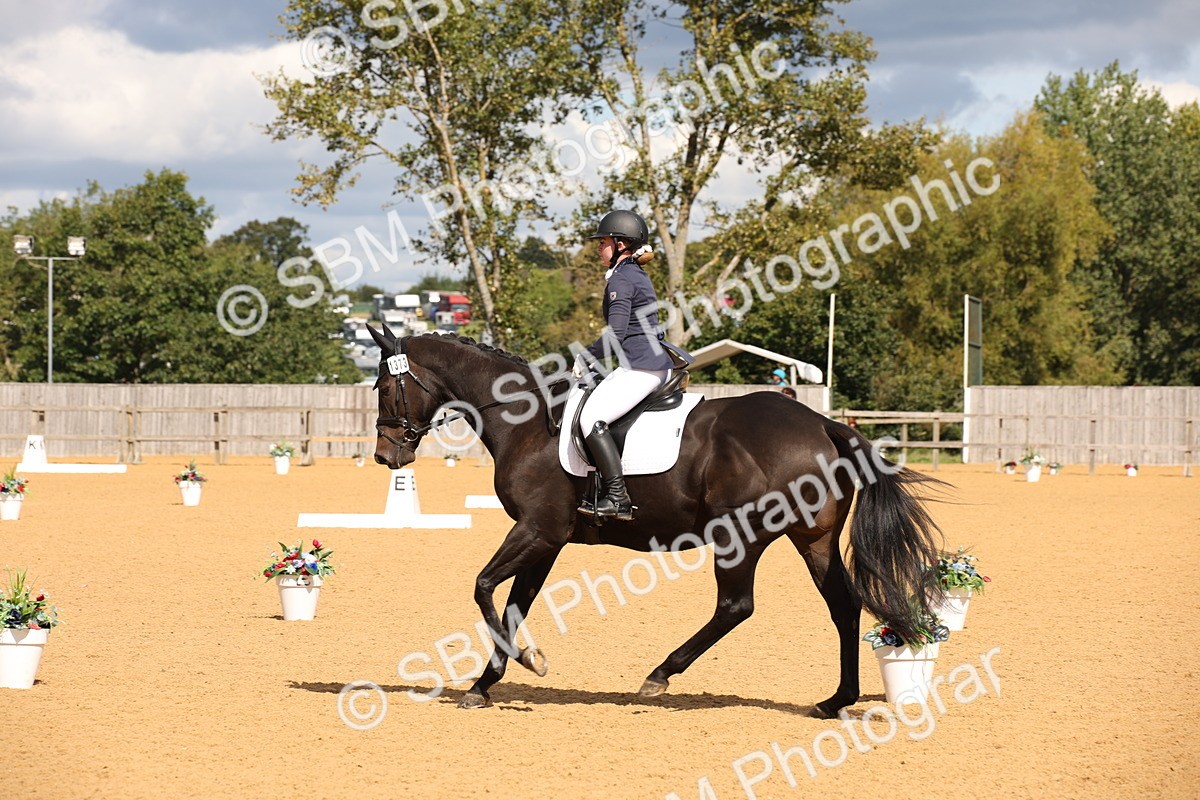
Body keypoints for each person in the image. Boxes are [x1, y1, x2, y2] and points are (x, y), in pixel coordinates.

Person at [574, 210, 693, 521]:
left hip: (642, 367)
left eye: (603, 242)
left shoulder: (624, 279)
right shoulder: (631, 274)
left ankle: (617, 497)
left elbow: (616, 333)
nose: (598, 248)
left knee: (592, 419)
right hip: (642, 362)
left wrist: (585, 355)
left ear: (621, 244)